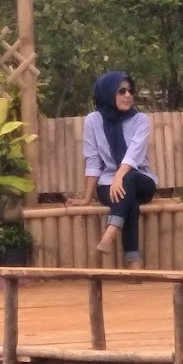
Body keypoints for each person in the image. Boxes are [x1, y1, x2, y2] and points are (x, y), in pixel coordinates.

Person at [68, 71, 158, 263]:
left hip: (141, 180)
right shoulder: (93, 121)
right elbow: (93, 160)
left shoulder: (140, 120)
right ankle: (134, 262)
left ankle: (111, 232)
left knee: (129, 178)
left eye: (130, 90)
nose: (128, 95)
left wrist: (119, 176)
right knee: (130, 201)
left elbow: (134, 154)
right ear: (108, 93)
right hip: (109, 184)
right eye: (121, 91)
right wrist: (87, 198)